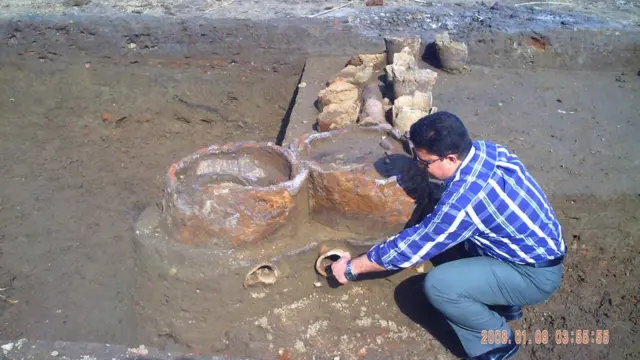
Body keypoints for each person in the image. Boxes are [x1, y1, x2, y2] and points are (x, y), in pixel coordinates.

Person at [330, 111, 565, 360]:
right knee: (453, 237)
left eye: (424, 162)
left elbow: (415, 245)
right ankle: (504, 303)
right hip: (536, 247)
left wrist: (352, 267)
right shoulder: (488, 150)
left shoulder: (466, 201)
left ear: (451, 158)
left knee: (440, 286)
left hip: (534, 276)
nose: (420, 166)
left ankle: (496, 344)